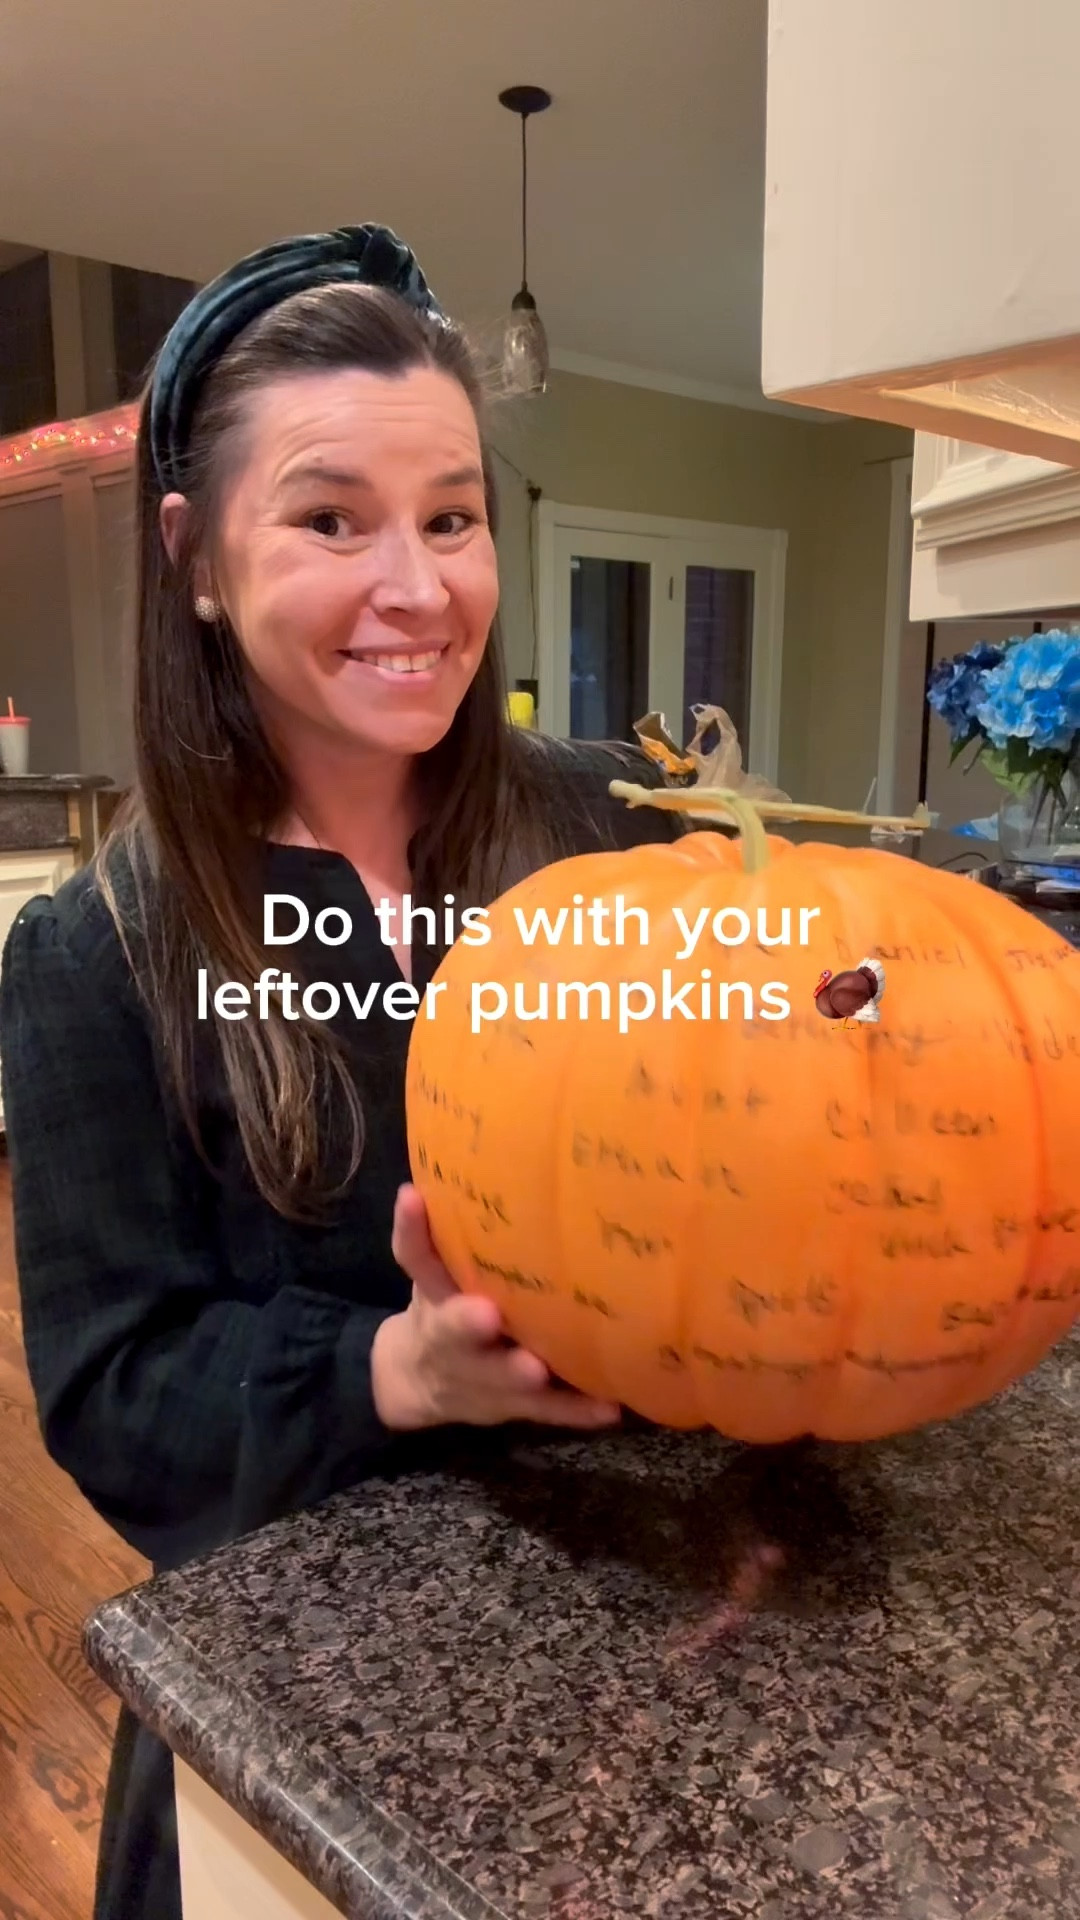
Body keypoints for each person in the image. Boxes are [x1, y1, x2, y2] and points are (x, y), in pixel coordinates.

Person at [0, 224, 693, 1920]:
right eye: (330, 520)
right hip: (308, 1711)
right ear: (197, 557)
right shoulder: (97, 954)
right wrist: (399, 1370)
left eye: (451, 518)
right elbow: (112, 1395)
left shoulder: (620, 843)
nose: (420, 588)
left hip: (652, 1629)